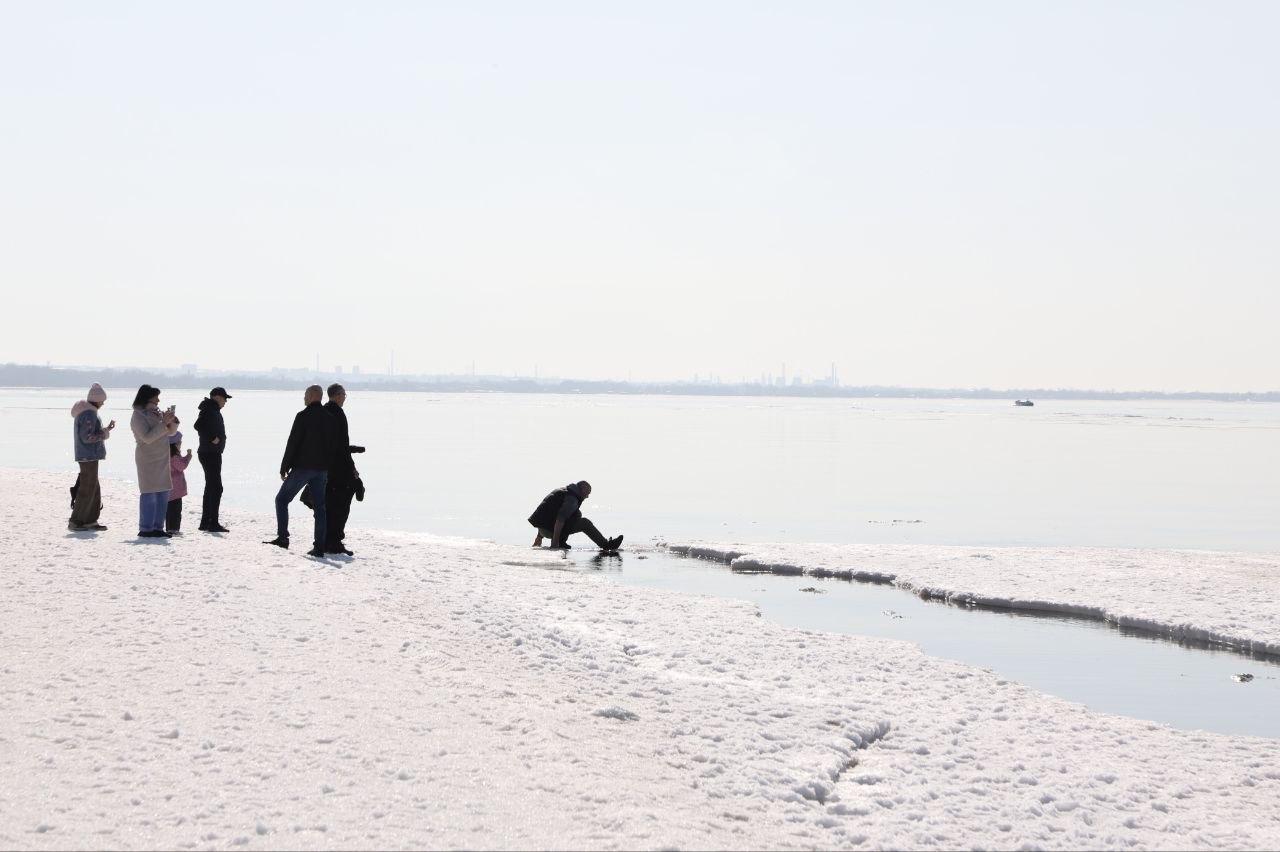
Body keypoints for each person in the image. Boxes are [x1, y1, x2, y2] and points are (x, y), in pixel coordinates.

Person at [267, 385, 333, 556]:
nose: (303, 398)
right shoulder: (329, 417)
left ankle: (283, 538)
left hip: (303, 467)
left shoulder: (303, 416)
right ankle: (319, 547)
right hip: (322, 469)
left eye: (305, 395)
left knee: (281, 500)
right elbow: (333, 446)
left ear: (312, 396)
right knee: (320, 508)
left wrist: (284, 466)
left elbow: (293, 442)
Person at [322, 383, 365, 555]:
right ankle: (334, 542)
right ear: (338, 395)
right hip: (338, 467)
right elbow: (340, 445)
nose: (345, 397)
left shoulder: (324, 411)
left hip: (327, 467)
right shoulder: (338, 413)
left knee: (330, 505)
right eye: (344, 395)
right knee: (341, 505)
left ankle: (327, 540)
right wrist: (352, 467)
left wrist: (353, 449)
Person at [130, 384, 178, 538]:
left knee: (163, 493)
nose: (158, 400)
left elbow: (170, 433)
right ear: (147, 398)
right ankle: (146, 528)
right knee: (149, 493)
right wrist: (163, 423)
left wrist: (172, 421)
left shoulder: (156, 413)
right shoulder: (138, 415)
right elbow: (147, 437)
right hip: (147, 459)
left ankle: (158, 527)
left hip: (162, 458)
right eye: (156, 397)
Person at [527, 481, 623, 552]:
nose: (587, 496)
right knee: (585, 523)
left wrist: (539, 537)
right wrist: (554, 544)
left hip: (542, 530)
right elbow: (560, 519)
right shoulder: (571, 499)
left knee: (576, 514)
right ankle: (606, 545)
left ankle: (561, 542)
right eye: (587, 493)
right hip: (548, 531)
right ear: (582, 490)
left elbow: (548, 514)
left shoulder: (563, 491)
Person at [69, 383, 114, 531]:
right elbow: (87, 437)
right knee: (88, 488)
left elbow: (89, 434)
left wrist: (106, 430)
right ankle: (76, 521)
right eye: (102, 400)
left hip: (88, 456)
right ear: (96, 399)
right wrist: (104, 434)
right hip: (88, 456)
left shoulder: (88, 412)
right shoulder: (89, 414)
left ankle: (90, 520)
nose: (103, 403)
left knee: (93, 487)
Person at [194, 387, 232, 533]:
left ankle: (206, 522)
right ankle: (212, 522)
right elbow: (198, 425)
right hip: (209, 453)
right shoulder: (209, 409)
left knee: (211, 486)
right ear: (216, 397)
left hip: (211, 452)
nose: (225, 402)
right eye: (224, 398)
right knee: (216, 487)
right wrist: (212, 438)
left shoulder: (212, 409)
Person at [166, 432, 192, 534]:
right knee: (176, 510)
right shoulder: (174, 456)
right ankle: (174, 529)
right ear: (174, 444)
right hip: (175, 488)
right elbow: (181, 466)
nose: (180, 443)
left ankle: (169, 527)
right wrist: (188, 457)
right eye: (179, 442)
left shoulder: (167, 453)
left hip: (168, 487)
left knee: (169, 510)